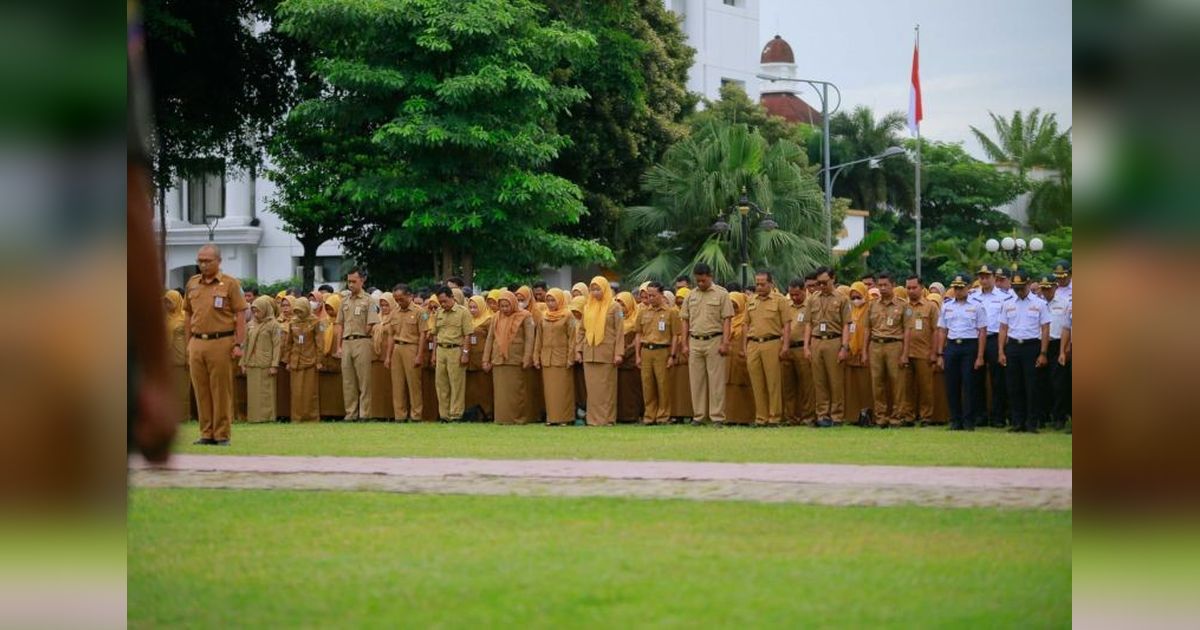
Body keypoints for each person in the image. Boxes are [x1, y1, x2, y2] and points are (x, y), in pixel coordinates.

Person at [183, 244, 248, 445]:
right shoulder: (193, 284)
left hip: (221, 341)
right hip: (197, 342)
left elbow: (240, 315)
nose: (203, 264)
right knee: (200, 390)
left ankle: (221, 434)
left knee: (220, 391)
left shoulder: (230, 284)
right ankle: (206, 433)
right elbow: (188, 314)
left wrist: (238, 343)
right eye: (200, 260)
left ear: (218, 261)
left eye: (207, 260)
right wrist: (189, 343)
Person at [680, 263, 734, 426]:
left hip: (714, 340)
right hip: (695, 340)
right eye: (698, 281)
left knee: (716, 381)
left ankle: (717, 417)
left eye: (703, 280)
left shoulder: (721, 294)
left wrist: (725, 342)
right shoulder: (691, 296)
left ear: (710, 276)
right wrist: (684, 343)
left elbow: (727, 319)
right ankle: (699, 416)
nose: (700, 284)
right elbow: (685, 320)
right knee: (696, 381)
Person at [997, 270, 1051, 433]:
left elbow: (1045, 328)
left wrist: (1043, 353)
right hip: (1013, 346)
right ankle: (1017, 421)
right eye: (1015, 287)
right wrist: (1001, 351)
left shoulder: (1039, 303)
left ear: (1028, 284)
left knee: (1032, 386)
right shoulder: (1008, 303)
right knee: (1014, 386)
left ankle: (1031, 422)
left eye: (1021, 287)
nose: (1018, 291)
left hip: (1031, 346)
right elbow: (1003, 328)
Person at [936, 274, 987, 431]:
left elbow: (982, 331)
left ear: (968, 287)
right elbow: (942, 331)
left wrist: (980, 356)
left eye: (961, 287)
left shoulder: (977, 305)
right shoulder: (947, 305)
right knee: (952, 384)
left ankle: (968, 420)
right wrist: (940, 353)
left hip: (969, 346)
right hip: (952, 346)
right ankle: (955, 419)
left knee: (969, 384)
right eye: (955, 288)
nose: (957, 291)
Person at [804, 266, 851, 427]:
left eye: (825, 282)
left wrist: (844, 347)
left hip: (834, 340)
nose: (822, 286)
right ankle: (822, 415)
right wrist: (806, 346)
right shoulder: (813, 298)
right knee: (819, 381)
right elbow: (808, 324)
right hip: (817, 341)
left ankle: (837, 416)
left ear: (833, 279)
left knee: (835, 381)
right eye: (819, 283)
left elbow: (846, 325)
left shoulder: (842, 299)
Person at [743, 271, 790, 427]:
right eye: (757, 284)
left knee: (773, 382)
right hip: (753, 344)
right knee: (757, 382)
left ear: (771, 283)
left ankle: (774, 417)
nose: (759, 287)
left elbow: (787, 325)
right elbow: (745, 325)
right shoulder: (750, 300)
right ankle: (760, 417)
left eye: (763, 284)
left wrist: (785, 345)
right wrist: (745, 346)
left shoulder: (780, 300)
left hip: (772, 342)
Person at [575, 276, 623, 426]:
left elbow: (619, 331)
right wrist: (578, 350)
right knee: (593, 390)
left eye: (598, 289)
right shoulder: (587, 306)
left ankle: (607, 419)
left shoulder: (615, 307)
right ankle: (593, 419)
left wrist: (618, 353)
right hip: (590, 353)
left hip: (607, 353)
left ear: (605, 289)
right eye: (593, 289)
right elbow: (581, 330)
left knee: (607, 388)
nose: (595, 292)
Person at [864, 273, 911, 428]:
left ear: (893, 285)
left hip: (894, 345)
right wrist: (864, 351)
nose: (882, 288)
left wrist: (905, 354)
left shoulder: (903, 305)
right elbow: (867, 329)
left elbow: (907, 331)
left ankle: (897, 416)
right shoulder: (872, 305)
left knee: (897, 383)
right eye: (880, 285)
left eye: (886, 285)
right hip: (876, 345)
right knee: (877, 383)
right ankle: (881, 416)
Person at [333, 268, 380, 420]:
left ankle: (365, 414)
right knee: (348, 380)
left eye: (354, 281)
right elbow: (339, 324)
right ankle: (351, 413)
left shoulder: (368, 300)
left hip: (362, 340)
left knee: (364, 380)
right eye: (349, 281)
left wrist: (362, 333)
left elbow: (372, 322)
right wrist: (338, 345)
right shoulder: (344, 301)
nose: (351, 285)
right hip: (347, 342)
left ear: (362, 280)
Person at [483, 291, 535, 424]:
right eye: (502, 306)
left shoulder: (525, 316)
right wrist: (486, 359)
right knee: (501, 392)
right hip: (498, 359)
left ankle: (518, 418)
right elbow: (490, 339)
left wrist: (527, 357)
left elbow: (530, 339)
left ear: (513, 303)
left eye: (507, 306)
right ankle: (502, 418)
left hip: (515, 359)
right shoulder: (496, 317)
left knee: (517, 391)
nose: (505, 309)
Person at [971, 264, 1013, 428]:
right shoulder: (973, 296)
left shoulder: (1004, 297)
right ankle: (980, 415)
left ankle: (998, 416)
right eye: (981, 276)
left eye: (987, 276)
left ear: (995, 278)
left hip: (996, 339)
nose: (983, 279)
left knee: (998, 380)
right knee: (976, 378)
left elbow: (1007, 322)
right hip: (976, 339)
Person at [634, 282, 680, 425]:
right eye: (649, 295)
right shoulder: (642, 312)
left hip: (662, 350)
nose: (651, 298)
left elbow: (675, 335)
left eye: (654, 295)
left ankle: (663, 416)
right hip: (646, 350)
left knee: (663, 385)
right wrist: (637, 355)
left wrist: (672, 356)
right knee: (647, 385)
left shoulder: (671, 312)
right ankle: (649, 416)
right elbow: (638, 334)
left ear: (661, 294)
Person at [382, 284, 427, 422]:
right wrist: (388, 356)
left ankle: (416, 415)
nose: (399, 302)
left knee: (414, 384)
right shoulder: (394, 312)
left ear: (409, 296)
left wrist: (419, 355)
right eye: (396, 299)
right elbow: (390, 335)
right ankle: (400, 416)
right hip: (397, 348)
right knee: (397, 384)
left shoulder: (420, 312)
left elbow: (423, 335)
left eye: (401, 299)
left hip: (411, 348)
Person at [901, 275, 941, 425]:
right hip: (905, 353)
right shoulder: (903, 306)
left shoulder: (931, 306)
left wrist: (934, 352)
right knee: (906, 387)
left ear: (922, 288)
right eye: (908, 288)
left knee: (926, 387)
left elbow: (936, 330)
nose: (910, 291)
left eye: (914, 287)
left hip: (924, 353)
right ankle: (908, 416)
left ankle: (926, 417)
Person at [534, 288, 577, 426]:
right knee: (550, 391)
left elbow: (572, 338)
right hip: (547, 358)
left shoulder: (568, 315)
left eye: (553, 300)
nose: (551, 303)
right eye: (548, 300)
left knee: (563, 390)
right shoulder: (543, 316)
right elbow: (538, 338)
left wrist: (571, 357)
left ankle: (564, 418)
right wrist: (536, 356)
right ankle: (551, 417)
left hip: (562, 358)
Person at [432, 286, 473, 422]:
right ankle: (444, 415)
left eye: (445, 301)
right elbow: (435, 334)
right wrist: (434, 354)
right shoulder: (439, 312)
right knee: (441, 383)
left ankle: (456, 414)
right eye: (440, 302)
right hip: (441, 349)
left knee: (456, 384)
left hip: (456, 349)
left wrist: (465, 353)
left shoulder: (463, 312)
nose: (443, 304)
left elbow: (467, 335)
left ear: (452, 297)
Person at [239, 296, 282, 423]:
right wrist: (243, 362)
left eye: (258, 311)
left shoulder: (273, 325)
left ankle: (267, 417)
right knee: (253, 393)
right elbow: (245, 345)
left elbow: (277, 346)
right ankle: (254, 417)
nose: (256, 314)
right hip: (252, 362)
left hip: (266, 363)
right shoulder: (250, 325)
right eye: (254, 311)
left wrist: (274, 364)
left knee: (266, 392)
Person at [781, 278, 815, 426]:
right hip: (787, 348)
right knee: (788, 386)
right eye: (791, 295)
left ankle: (808, 417)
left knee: (806, 386)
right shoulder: (786, 306)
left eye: (797, 294)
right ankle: (790, 417)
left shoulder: (811, 305)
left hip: (803, 348)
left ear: (804, 291)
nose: (794, 298)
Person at [282, 297, 321, 423]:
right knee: (296, 392)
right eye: (296, 311)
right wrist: (287, 360)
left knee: (310, 392)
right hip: (295, 361)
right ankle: (296, 418)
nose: (298, 314)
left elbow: (319, 342)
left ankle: (311, 418)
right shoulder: (292, 323)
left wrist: (319, 360)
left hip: (310, 360)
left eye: (301, 311)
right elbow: (288, 343)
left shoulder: (315, 322)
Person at [1041, 276, 1071, 430]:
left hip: (1058, 344)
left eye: (1048, 288)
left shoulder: (1064, 303)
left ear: (1055, 287)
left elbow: (1067, 327)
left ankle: (1059, 417)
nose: (1045, 291)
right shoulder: (1037, 303)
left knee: (1058, 383)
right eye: (1043, 288)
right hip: (1040, 345)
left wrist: (1065, 349)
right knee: (1041, 382)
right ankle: (1045, 415)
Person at [843, 282, 873, 426]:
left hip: (864, 353)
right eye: (853, 297)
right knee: (852, 387)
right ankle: (853, 416)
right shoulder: (850, 310)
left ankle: (867, 415)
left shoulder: (870, 310)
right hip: (851, 354)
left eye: (858, 296)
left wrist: (864, 350)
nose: (856, 299)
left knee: (865, 386)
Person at [464, 295, 494, 421]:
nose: (472, 310)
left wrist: (489, 359)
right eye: (470, 307)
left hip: (482, 358)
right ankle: (472, 414)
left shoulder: (488, 320)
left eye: (475, 307)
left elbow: (492, 341)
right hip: (469, 359)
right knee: (471, 389)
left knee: (484, 388)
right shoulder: (467, 320)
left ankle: (487, 413)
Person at [163, 290, 191, 422]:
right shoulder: (165, 318)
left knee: (182, 389)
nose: (167, 305)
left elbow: (189, 337)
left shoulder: (184, 317)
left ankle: (183, 416)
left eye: (170, 302)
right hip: (167, 357)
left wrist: (188, 356)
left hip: (181, 355)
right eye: (166, 302)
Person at [369, 293, 396, 420]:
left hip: (389, 355)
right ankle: (376, 413)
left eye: (387, 305)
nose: (384, 308)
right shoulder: (377, 318)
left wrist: (389, 356)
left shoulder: (394, 318)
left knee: (389, 386)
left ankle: (389, 414)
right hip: (375, 356)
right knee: (376, 386)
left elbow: (393, 337)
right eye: (382, 305)